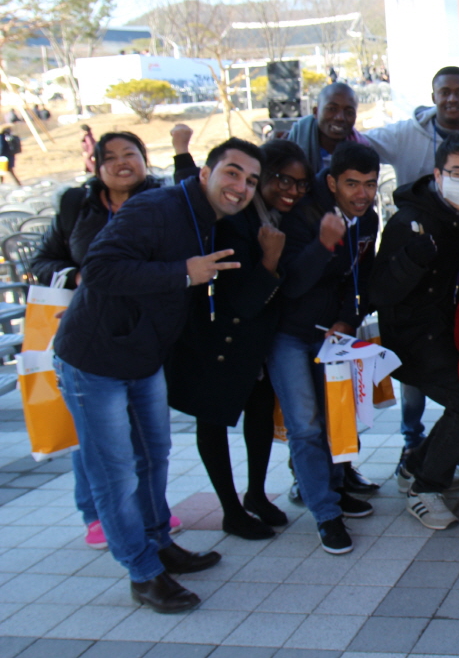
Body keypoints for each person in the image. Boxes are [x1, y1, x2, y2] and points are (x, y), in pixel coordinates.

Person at [53, 138, 263, 613]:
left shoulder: (209, 219)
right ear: (206, 170)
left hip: (144, 359)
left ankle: (158, 544)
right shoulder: (156, 206)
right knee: (116, 474)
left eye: (250, 180)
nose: (241, 187)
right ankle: (143, 572)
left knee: (155, 457)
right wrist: (182, 273)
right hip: (95, 359)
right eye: (232, 172)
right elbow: (100, 268)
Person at [33, 131, 191, 550]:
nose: (123, 163)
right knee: (101, 443)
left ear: (145, 159)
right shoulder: (77, 205)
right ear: (96, 166)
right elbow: (45, 260)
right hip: (89, 337)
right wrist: (81, 278)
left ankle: (150, 517)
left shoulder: (163, 202)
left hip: (142, 339)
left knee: (148, 443)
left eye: (132, 154)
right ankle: (99, 518)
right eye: (112, 157)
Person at [166, 140, 307, 540]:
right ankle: (231, 508)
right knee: (212, 419)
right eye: (279, 179)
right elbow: (243, 298)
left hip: (256, 337)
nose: (289, 189)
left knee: (259, 414)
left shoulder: (270, 216)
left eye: (298, 183)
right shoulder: (235, 220)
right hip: (216, 337)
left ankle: (256, 495)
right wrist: (270, 259)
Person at [372, 135, 459, 531]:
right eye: (457, 173)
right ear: (438, 174)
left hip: (446, 334)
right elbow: (382, 291)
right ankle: (425, 487)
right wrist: (414, 257)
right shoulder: (409, 221)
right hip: (412, 341)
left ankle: (416, 465)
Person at [269, 141, 381, 555]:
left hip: (333, 333)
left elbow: (360, 278)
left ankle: (335, 487)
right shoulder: (300, 216)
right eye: (352, 184)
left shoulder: (367, 218)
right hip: (290, 333)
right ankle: (325, 513)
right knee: (305, 424)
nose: (362, 194)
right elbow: (290, 285)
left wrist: (347, 321)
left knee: (337, 416)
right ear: (332, 182)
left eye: (369, 185)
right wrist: (322, 245)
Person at [362, 66, 459, 188]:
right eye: (444, 92)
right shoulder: (402, 135)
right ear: (433, 97)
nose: (452, 99)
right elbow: (357, 142)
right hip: (412, 213)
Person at [286, 82, 371, 173]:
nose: (340, 118)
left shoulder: (362, 152)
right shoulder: (292, 147)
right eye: (332, 109)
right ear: (316, 112)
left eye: (349, 112)